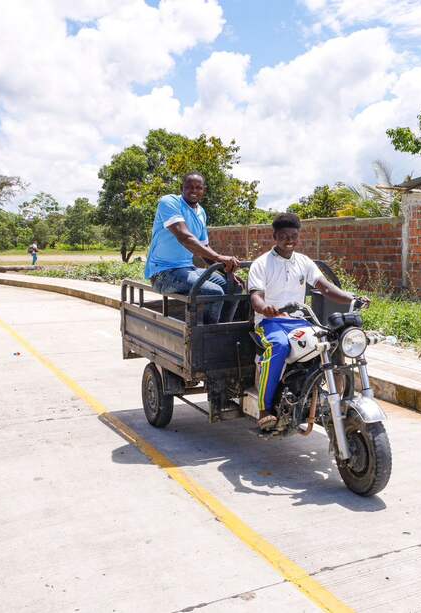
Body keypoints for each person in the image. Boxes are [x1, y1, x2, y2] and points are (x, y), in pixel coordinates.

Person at [248, 212, 368, 430]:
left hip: (300, 322)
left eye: (294, 235)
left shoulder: (304, 261)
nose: (290, 240)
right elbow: (256, 296)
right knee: (279, 346)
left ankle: (330, 394)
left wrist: (352, 297)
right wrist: (265, 308)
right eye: (284, 235)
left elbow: (325, 286)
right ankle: (265, 408)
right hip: (270, 323)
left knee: (330, 341)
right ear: (275, 236)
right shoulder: (261, 264)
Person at [144, 172, 240, 324]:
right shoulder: (169, 202)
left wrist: (226, 271)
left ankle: (224, 329)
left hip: (187, 269)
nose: (193, 191)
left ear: (204, 190)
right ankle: (206, 337)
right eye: (189, 187)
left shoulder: (201, 212)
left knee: (234, 287)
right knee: (213, 292)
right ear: (182, 188)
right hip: (163, 273)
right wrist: (220, 257)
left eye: (198, 187)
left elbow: (204, 248)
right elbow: (184, 237)